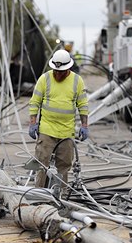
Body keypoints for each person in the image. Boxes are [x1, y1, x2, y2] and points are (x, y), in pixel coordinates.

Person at [28, 49, 89, 189]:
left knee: (64, 166)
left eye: (60, 71)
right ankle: (40, 195)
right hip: (47, 130)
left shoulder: (77, 81)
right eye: (55, 70)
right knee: (42, 163)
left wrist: (85, 125)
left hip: (66, 132)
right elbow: (34, 102)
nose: (57, 74)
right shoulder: (45, 78)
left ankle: (60, 197)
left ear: (68, 68)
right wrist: (33, 123)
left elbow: (83, 105)